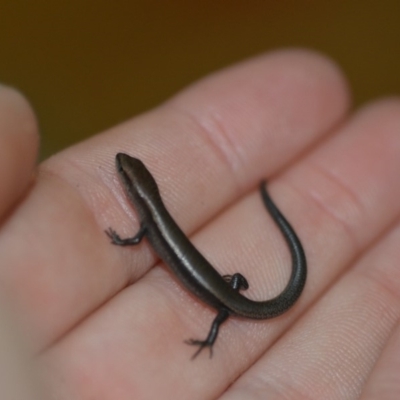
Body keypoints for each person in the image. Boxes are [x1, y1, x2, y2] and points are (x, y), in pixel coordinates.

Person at [0, 49, 398, 399]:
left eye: (126, 176)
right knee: (230, 293)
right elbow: (145, 233)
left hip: (224, 302)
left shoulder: (147, 221)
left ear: (139, 192)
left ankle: (221, 318)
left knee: (225, 306)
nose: (122, 173)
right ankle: (232, 292)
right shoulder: (151, 214)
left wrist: (124, 241)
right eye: (126, 173)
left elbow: (139, 237)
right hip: (225, 295)